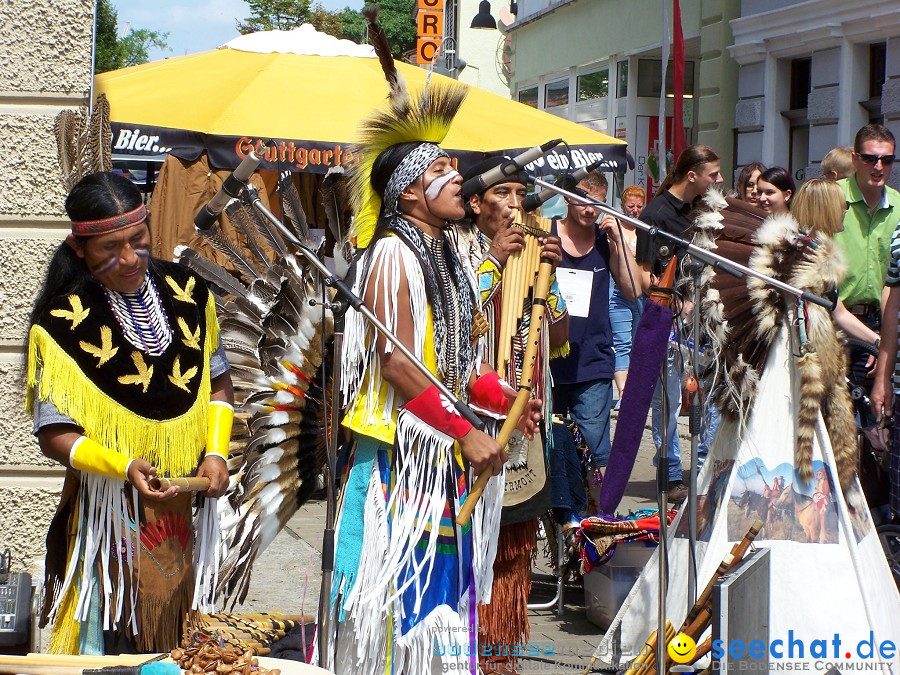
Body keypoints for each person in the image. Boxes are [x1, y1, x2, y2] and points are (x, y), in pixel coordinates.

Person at [327, 71, 540, 671]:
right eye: (439, 171)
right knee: (399, 610)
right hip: (398, 461)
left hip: (433, 457)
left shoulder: (443, 254)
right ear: (409, 195)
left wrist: (503, 402)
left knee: (440, 610)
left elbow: (452, 367)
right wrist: (467, 432)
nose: (458, 179)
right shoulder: (393, 252)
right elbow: (397, 363)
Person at [26, 172, 233, 654]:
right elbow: (53, 434)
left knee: (180, 642)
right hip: (108, 512)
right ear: (79, 249)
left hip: (184, 506)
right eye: (109, 248)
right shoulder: (62, 322)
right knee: (115, 640)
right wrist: (122, 466)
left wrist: (217, 454)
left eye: (137, 241)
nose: (128, 259)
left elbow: (218, 383)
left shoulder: (188, 293)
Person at [457, 156, 568, 674]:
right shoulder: (455, 253)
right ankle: (461, 648)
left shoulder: (538, 254)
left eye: (520, 193)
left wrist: (551, 276)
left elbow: (560, 340)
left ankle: (500, 655)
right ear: (476, 203)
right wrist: (494, 266)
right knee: (468, 543)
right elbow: (461, 333)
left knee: (513, 550)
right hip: (470, 422)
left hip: (527, 419)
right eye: (502, 193)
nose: (514, 203)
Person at [635, 144, 724, 502]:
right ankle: (670, 475)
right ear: (693, 176)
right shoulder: (655, 214)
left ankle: (704, 470)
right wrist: (676, 301)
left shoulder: (704, 209)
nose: (718, 180)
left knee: (712, 396)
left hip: (707, 320)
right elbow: (644, 277)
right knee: (669, 400)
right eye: (713, 175)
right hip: (671, 323)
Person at [551, 170, 641, 514]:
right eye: (584, 200)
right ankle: (560, 522)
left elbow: (632, 289)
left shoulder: (605, 241)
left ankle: (593, 523)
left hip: (593, 361)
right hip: (547, 362)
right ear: (568, 198)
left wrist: (618, 242)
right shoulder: (547, 234)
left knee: (592, 451)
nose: (590, 209)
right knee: (550, 451)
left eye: (598, 203)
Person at [838, 124, 900, 432]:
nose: (879, 167)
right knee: (835, 422)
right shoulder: (833, 199)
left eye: (887, 160)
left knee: (876, 423)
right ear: (854, 159)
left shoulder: (899, 206)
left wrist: (885, 346)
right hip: (834, 322)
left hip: (881, 322)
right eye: (870, 158)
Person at [791, 178, 881, 346]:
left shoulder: (814, 251)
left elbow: (839, 312)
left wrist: (879, 342)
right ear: (825, 210)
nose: (846, 210)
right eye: (841, 205)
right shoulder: (804, 255)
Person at [610, 185, 646, 405]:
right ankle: (624, 394)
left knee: (638, 341)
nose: (635, 210)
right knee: (621, 342)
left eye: (639, 206)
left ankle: (635, 389)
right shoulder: (616, 226)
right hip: (617, 291)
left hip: (642, 292)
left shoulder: (645, 228)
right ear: (623, 205)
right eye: (631, 206)